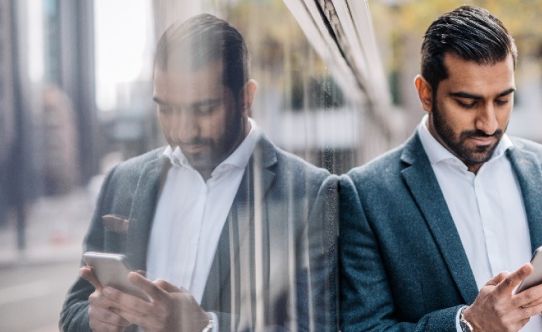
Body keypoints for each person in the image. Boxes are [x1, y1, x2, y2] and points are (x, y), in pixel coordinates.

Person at [339, 6, 542, 332]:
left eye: (503, 100)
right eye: (467, 102)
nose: (489, 123)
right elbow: (362, 327)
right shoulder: (366, 194)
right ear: (425, 93)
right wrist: (468, 325)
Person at [60, 14, 337, 332]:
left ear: (247, 97)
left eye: (204, 109)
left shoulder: (312, 193)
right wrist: (95, 319)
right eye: (167, 108)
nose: (183, 130)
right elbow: (74, 309)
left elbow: (319, 325)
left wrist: (206, 325)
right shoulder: (122, 180)